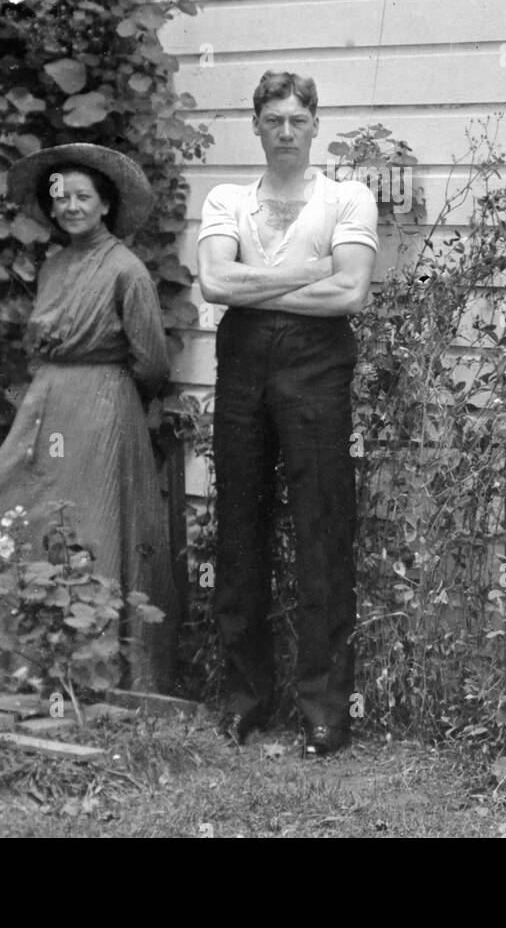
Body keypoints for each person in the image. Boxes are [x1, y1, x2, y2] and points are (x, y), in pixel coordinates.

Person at [197, 71, 378, 756]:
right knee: (240, 524)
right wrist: (309, 274)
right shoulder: (227, 199)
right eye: (272, 119)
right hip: (242, 363)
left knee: (320, 530)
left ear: (315, 124)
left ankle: (325, 709)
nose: (285, 132)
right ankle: (246, 700)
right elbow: (215, 280)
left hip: (315, 364)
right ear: (256, 125)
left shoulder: (346, 197)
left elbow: (350, 293)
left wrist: (257, 287)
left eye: (297, 120)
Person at [0, 143, 177, 693]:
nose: (71, 206)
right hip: (46, 401)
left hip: (103, 409)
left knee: (91, 524)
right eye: (61, 198)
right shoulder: (53, 265)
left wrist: (114, 404)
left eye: (83, 196)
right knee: (20, 510)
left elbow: (152, 362)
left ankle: (99, 672)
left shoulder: (127, 270)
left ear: (105, 205)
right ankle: (25, 661)